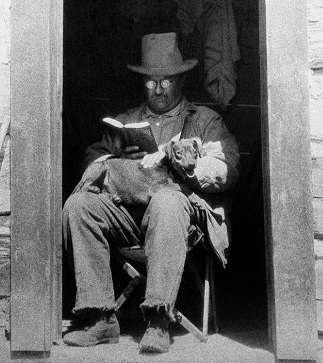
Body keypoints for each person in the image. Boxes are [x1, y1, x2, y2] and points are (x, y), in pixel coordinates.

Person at [62, 32, 239, 353]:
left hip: (180, 219)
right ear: (141, 82)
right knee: (80, 204)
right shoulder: (125, 122)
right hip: (130, 215)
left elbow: (227, 168)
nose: (158, 88)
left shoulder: (203, 120)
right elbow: (92, 161)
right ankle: (100, 317)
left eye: (167, 80)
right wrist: (118, 163)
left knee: (168, 199)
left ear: (182, 79)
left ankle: (158, 319)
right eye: (150, 81)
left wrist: (182, 161)